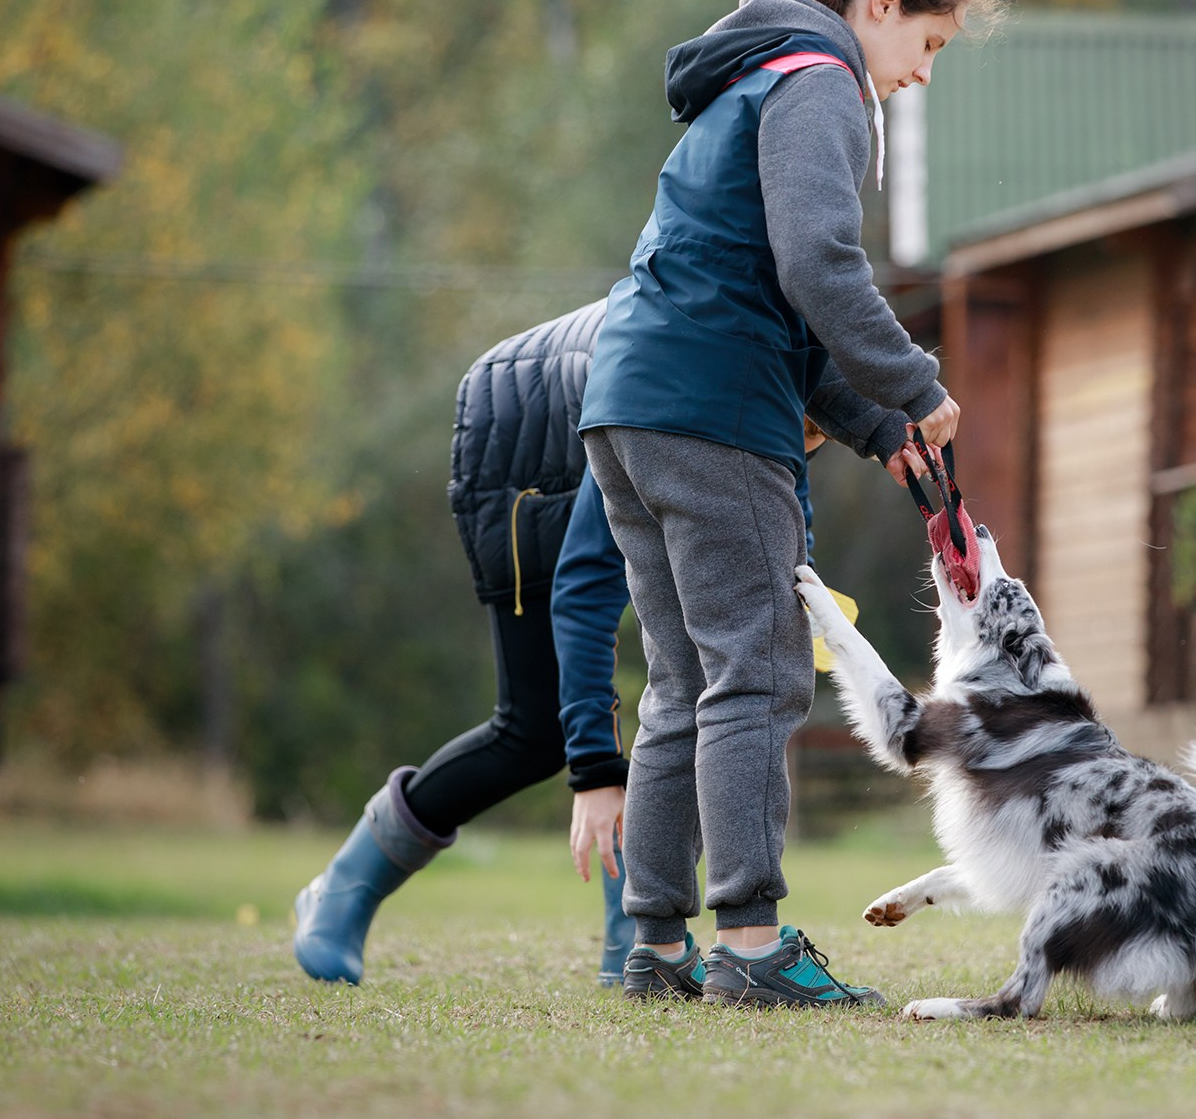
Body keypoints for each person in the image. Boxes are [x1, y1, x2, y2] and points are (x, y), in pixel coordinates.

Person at [577, 0, 1005, 1008]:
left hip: (630, 403)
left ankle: (657, 947)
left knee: (684, 679)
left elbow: (775, 303)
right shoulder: (819, 80)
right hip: (712, 413)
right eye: (929, 44)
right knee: (758, 674)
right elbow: (818, 267)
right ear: (881, 6)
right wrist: (918, 385)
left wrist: (878, 430)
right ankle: (755, 945)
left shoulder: (758, 73)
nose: (920, 75)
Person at [291, 299, 911, 986]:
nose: (803, 447)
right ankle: (344, 888)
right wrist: (592, 772)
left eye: (816, 439)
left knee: (696, 668)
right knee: (534, 733)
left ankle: (639, 945)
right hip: (520, 451)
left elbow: (781, 521)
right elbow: (584, 583)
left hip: (640, 415)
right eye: (804, 430)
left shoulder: (775, 381)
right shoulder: (707, 380)